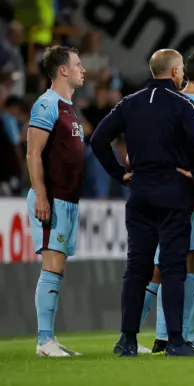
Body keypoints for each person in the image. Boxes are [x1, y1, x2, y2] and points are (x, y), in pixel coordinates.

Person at [90, 49, 194, 357]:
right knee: (173, 269)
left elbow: (98, 140)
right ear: (173, 72)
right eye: (181, 69)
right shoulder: (182, 104)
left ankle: (127, 340)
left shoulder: (129, 103)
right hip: (173, 193)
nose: (183, 74)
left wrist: (121, 174)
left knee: (137, 269)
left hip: (140, 193)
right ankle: (175, 342)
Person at [142, 50, 194, 355]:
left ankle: (135, 333)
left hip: (161, 196)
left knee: (160, 266)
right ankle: (182, 335)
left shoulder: (163, 103)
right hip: (192, 196)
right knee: (189, 266)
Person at [26, 45, 85, 357]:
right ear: (63, 70)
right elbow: (33, 152)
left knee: (57, 267)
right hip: (52, 198)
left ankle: (49, 340)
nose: (82, 69)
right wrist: (41, 195)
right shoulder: (47, 104)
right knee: (51, 266)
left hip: (68, 200)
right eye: (77, 64)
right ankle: (44, 341)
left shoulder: (69, 107)